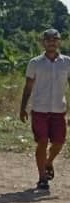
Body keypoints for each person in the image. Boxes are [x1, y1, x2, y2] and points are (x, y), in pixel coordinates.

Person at [20, 28, 70, 190]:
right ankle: (42, 178)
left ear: (59, 42)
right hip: (39, 109)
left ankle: (48, 162)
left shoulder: (66, 62)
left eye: (54, 39)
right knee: (42, 141)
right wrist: (23, 108)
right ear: (43, 42)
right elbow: (28, 87)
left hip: (58, 109)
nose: (51, 42)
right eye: (48, 40)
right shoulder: (35, 63)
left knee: (59, 142)